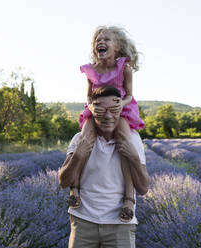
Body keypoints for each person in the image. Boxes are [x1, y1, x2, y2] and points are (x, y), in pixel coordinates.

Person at [68, 25, 144, 223]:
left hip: (122, 111)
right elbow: (88, 94)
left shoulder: (124, 68)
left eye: (106, 39)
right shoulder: (91, 70)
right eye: (97, 40)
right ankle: (74, 189)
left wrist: (121, 104)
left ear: (117, 47)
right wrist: (91, 106)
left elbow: (129, 95)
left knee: (126, 146)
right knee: (84, 142)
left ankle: (129, 200)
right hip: (96, 111)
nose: (101, 42)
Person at [58, 85, 149, 248]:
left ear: (121, 110)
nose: (108, 116)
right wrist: (78, 156)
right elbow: (63, 181)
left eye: (113, 110)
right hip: (83, 221)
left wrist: (134, 158)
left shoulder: (133, 140)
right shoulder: (79, 138)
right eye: (101, 110)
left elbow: (143, 188)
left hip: (121, 223)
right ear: (92, 111)